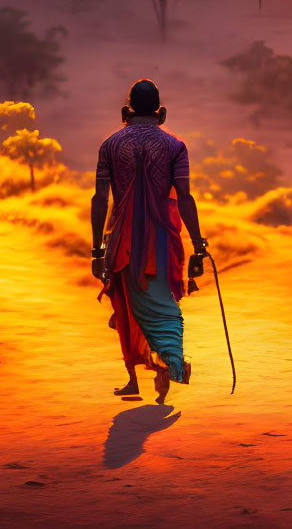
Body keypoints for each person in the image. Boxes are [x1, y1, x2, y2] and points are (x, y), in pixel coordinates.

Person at [91, 79, 207, 404]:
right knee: (160, 306)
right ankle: (164, 366)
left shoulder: (110, 146)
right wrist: (198, 243)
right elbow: (184, 197)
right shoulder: (174, 147)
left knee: (127, 307)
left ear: (125, 112)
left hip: (122, 242)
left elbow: (100, 200)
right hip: (160, 242)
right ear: (162, 113)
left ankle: (147, 373)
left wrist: (96, 249)